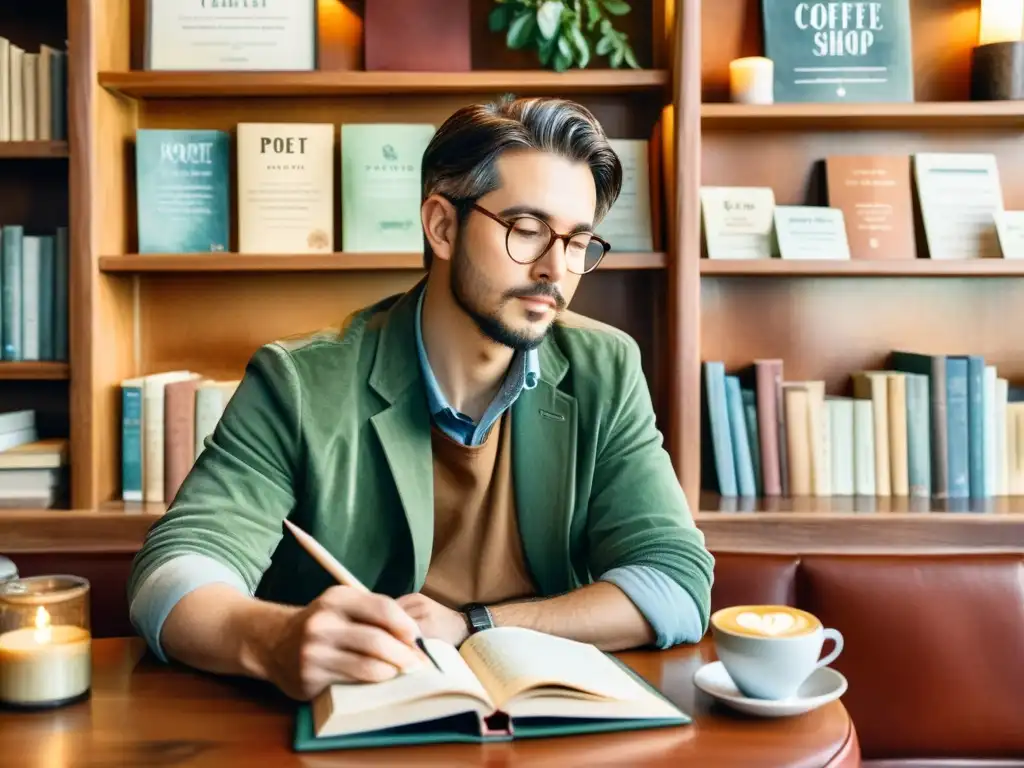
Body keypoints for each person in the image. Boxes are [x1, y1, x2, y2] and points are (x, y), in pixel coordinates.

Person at [127, 95, 715, 702]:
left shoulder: (605, 368)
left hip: (547, 724)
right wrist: (273, 638)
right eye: (527, 230)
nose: (554, 269)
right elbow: (174, 571)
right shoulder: (299, 382)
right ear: (441, 225)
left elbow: (675, 580)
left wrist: (475, 626)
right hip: (356, 724)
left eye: (576, 242)